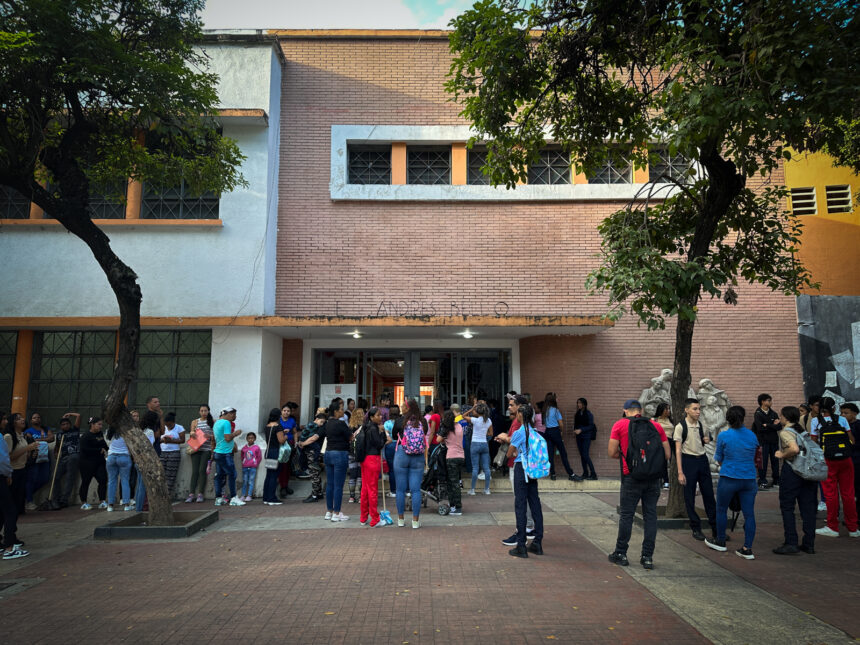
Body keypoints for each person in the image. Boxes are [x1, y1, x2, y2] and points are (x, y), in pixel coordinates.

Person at [607, 399, 670, 569]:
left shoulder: (619, 425)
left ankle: (621, 553)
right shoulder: (655, 426)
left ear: (625, 410)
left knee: (627, 515)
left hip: (631, 477)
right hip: (653, 479)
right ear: (640, 411)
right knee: (651, 516)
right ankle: (647, 557)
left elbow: (611, 452)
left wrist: (627, 458)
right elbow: (667, 453)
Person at [706, 406, 758, 559]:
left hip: (729, 477)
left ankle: (721, 541)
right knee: (749, 514)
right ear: (743, 418)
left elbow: (719, 458)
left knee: (721, 509)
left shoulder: (724, 436)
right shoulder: (752, 435)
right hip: (749, 479)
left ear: (727, 419)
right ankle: (747, 548)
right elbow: (754, 456)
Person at [496, 403, 545, 558]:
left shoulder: (519, 432)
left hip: (520, 470)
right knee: (535, 503)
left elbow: (510, 454)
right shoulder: (534, 431)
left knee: (520, 505)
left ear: (520, 415)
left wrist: (515, 449)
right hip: (532, 471)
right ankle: (537, 542)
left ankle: (521, 545)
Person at [772, 406, 818, 555]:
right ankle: (809, 543)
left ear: (785, 417)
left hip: (792, 471)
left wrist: (782, 454)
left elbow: (794, 449)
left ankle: (791, 542)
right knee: (808, 508)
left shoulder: (786, 432)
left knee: (787, 506)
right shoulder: (802, 430)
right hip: (808, 472)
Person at [810, 398, 858, 538]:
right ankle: (853, 528)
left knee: (830, 494)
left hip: (828, 460)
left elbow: (814, 444)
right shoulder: (842, 420)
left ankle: (832, 526)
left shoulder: (816, 421)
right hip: (846, 460)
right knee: (848, 494)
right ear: (834, 407)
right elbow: (852, 440)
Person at [675, 398, 718, 542]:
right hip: (688, 462)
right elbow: (678, 450)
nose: (698, 412)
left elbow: (708, 437)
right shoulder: (681, 427)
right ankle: (696, 527)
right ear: (686, 410)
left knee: (709, 496)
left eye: (699, 409)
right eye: (695, 409)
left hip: (702, 460)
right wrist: (680, 472)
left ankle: (715, 528)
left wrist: (708, 439)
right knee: (689, 496)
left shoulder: (701, 425)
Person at [498, 393, 536, 546]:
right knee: (526, 499)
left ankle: (524, 530)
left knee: (520, 499)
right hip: (522, 465)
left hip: (519, 464)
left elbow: (513, 444)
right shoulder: (521, 423)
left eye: (511, 404)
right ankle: (529, 527)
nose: (508, 407)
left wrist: (505, 437)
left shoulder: (521, 426)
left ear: (520, 408)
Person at [394, 398, 428, 529]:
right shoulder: (423, 421)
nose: (401, 407)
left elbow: (394, 434)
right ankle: (415, 521)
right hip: (418, 456)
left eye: (403, 406)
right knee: (415, 490)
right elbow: (423, 435)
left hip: (402, 454)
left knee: (400, 490)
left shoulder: (400, 421)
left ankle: (401, 519)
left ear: (407, 408)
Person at [320, 399, 351, 522]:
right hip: (340, 453)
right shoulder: (341, 424)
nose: (342, 412)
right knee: (338, 485)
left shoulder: (327, 423)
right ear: (336, 411)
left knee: (330, 484)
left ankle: (329, 511)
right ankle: (337, 512)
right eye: (341, 410)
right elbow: (350, 436)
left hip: (328, 453)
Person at [0, 424, 27, 560]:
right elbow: (4, 460)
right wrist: (8, 473)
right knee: (10, 511)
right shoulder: (3, 437)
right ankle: (9, 547)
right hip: (2, 477)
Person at [359, 407, 387, 527]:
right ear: (371, 417)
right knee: (372, 490)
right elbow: (380, 444)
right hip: (372, 459)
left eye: (381, 415)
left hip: (365, 460)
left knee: (365, 489)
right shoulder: (373, 429)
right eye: (378, 415)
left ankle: (363, 517)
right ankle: (375, 519)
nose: (381, 417)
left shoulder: (365, 427)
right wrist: (383, 433)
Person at [542, 393, 581, 482]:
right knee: (563, 454)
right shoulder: (556, 410)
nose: (558, 399)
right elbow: (561, 424)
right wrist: (561, 431)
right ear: (553, 400)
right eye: (556, 398)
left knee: (550, 455)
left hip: (547, 432)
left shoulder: (544, 410)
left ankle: (553, 474)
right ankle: (571, 474)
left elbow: (544, 423)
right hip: (555, 431)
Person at [213, 407, 244, 507]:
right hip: (225, 453)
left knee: (219, 476)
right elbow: (227, 438)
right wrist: (236, 433)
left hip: (218, 452)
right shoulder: (226, 423)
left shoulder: (217, 423)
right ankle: (234, 498)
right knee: (232, 474)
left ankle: (219, 498)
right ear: (228, 414)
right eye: (234, 414)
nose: (235, 416)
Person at [24, 412, 54, 510]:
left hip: (45, 456)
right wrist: (44, 439)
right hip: (34, 456)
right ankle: (29, 500)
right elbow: (30, 440)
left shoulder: (46, 429)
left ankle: (25, 495)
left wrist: (38, 439)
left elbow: (51, 438)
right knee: (32, 478)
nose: (37, 419)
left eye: (38, 417)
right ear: (31, 420)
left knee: (45, 478)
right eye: (34, 418)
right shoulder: (28, 430)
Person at [185, 405, 215, 503]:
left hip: (206, 449)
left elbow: (216, 436)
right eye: (201, 411)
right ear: (199, 412)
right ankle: (191, 494)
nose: (203, 412)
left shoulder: (213, 422)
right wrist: (192, 433)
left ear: (208, 411)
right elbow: (192, 432)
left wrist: (209, 436)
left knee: (202, 470)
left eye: (205, 411)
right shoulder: (195, 421)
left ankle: (200, 494)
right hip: (196, 449)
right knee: (195, 471)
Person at [51, 413, 81, 509]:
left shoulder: (75, 430)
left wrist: (69, 414)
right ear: (60, 426)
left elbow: (79, 416)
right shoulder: (59, 434)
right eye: (63, 424)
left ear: (70, 424)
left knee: (69, 477)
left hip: (73, 456)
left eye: (67, 424)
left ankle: (64, 500)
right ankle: (55, 499)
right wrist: (56, 453)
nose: (65, 426)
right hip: (63, 458)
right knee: (56, 477)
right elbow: (57, 446)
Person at [462, 402, 492, 495]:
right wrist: (484, 434)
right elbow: (491, 433)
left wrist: (471, 409)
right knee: (486, 468)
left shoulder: (475, 420)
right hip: (484, 444)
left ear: (478, 412)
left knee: (475, 468)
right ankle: (487, 489)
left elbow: (463, 416)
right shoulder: (489, 421)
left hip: (475, 443)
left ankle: (473, 490)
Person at [78, 416, 108, 510]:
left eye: (101, 424)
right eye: (99, 424)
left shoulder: (99, 434)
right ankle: (83, 502)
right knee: (86, 482)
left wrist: (106, 449)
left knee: (103, 480)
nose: (100, 426)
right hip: (87, 463)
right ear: (92, 425)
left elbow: (104, 444)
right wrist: (99, 450)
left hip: (99, 462)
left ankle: (102, 501)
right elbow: (85, 449)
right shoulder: (86, 436)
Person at [752, 394, 780, 490]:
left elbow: (779, 427)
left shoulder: (774, 413)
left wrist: (766, 425)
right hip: (762, 442)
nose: (771, 402)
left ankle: (776, 480)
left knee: (775, 461)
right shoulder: (758, 413)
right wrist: (772, 425)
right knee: (762, 462)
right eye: (769, 400)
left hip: (773, 442)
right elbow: (759, 428)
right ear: (763, 401)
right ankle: (762, 481)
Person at [105, 422, 133, 512]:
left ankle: (110, 505)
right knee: (125, 481)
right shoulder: (127, 432)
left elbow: (108, 443)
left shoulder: (109, 432)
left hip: (111, 457)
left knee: (111, 481)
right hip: (124, 457)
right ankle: (126, 505)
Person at [299, 412, 326, 503]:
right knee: (316, 473)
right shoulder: (314, 426)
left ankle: (315, 495)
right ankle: (318, 493)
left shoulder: (319, 428)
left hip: (312, 452)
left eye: (323, 422)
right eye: (321, 421)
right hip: (312, 451)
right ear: (317, 419)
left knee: (314, 473)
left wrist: (302, 443)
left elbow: (313, 439)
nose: (321, 424)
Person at [840, 402, 860, 520]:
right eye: (841, 413)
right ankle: (851, 516)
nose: (843, 415)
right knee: (848, 491)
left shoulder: (857, 426)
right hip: (846, 461)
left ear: (855, 414)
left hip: (856, 461)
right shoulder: (841, 426)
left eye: (846, 413)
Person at [159, 412, 185, 501]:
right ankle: (161, 495)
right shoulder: (163, 428)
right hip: (163, 452)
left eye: (169, 425)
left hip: (174, 453)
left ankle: (167, 496)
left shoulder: (179, 428)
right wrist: (163, 440)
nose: (168, 426)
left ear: (173, 422)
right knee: (161, 474)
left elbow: (182, 440)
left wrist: (171, 440)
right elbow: (157, 439)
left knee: (171, 475)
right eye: (166, 425)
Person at [262, 408, 285, 506]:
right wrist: (286, 436)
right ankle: (272, 498)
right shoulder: (278, 426)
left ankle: (266, 497)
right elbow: (281, 440)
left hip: (268, 452)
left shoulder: (267, 426)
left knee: (269, 475)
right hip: (275, 452)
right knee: (274, 476)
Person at [445, 406, 465, 516]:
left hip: (451, 456)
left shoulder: (447, 429)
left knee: (453, 483)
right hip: (461, 456)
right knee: (456, 481)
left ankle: (457, 506)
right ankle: (454, 505)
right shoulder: (459, 427)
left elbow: (439, 439)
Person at [278, 402, 299, 498]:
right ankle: (282, 486)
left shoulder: (292, 421)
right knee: (282, 466)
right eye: (284, 411)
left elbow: (295, 432)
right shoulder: (278, 421)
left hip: (290, 445)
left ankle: (286, 485)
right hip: (281, 445)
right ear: (281, 411)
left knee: (288, 466)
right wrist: (283, 432)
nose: (286, 412)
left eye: (288, 411)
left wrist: (295, 443)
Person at [573, 398, 597, 480]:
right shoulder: (577, 413)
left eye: (580, 403)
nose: (578, 404)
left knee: (585, 454)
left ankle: (593, 474)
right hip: (579, 437)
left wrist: (581, 430)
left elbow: (591, 426)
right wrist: (575, 430)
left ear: (584, 404)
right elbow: (576, 424)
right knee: (582, 455)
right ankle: (585, 473)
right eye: (578, 403)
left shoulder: (589, 414)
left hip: (586, 436)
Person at [346, 408, 365, 504]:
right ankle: (360, 496)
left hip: (351, 453)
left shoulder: (349, 427)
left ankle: (351, 497)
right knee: (360, 475)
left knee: (352, 475)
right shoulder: (364, 427)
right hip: (361, 453)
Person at [653, 403, 674, 489]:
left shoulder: (671, 420)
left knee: (672, 461)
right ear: (661, 410)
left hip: (671, 441)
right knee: (662, 463)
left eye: (669, 409)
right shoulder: (655, 420)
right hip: (660, 442)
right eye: (666, 409)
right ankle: (665, 481)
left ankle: (673, 480)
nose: (668, 411)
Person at [240, 432, 261, 502]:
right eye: (249, 438)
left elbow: (259, 457)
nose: (250, 440)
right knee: (245, 481)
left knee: (251, 481)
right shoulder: (244, 448)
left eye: (252, 438)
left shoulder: (256, 448)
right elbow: (242, 456)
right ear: (246, 439)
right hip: (245, 467)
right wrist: (244, 461)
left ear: (254, 439)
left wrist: (255, 463)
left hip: (253, 467)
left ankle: (249, 495)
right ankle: (243, 495)